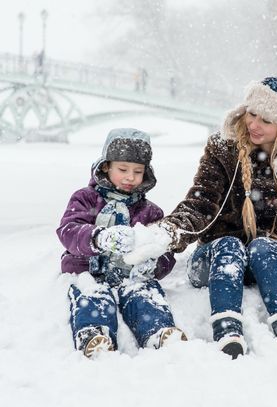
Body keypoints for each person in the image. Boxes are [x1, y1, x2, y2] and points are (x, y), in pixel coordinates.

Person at [130, 77, 277, 359]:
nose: (254, 125)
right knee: (229, 245)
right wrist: (168, 232)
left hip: (268, 261)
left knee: (265, 246)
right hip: (215, 259)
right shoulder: (222, 148)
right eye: (252, 113)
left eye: (266, 120)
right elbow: (200, 203)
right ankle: (227, 331)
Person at [57, 128, 187, 358]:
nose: (130, 177)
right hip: (88, 270)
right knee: (92, 295)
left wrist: (153, 264)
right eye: (123, 169)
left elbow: (164, 250)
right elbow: (68, 230)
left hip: (131, 275)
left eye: (138, 171)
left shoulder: (150, 212)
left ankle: (158, 331)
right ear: (106, 166)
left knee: (145, 294)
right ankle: (94, 334)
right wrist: (98, 237)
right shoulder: (85, 198)